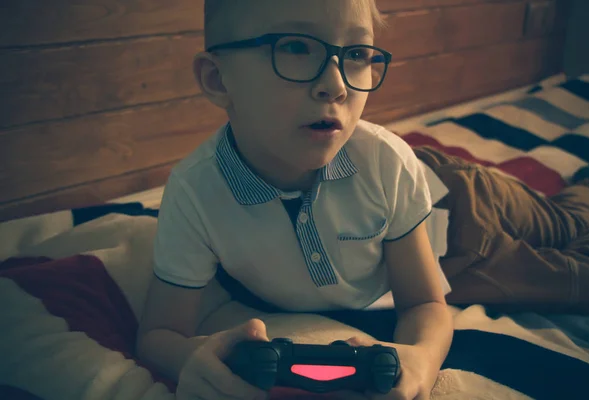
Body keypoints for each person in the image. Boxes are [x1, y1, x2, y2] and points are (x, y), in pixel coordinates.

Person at [136, 0, 455, 399]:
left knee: (538, 253)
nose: (336, 86)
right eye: (296, 47)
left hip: (457, 208)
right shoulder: (194, 193)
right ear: (218, 79)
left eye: (356, 54)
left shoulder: (387, 164)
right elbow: (159, 334)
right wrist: (192, 358)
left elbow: (426, 302)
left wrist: (421, 360)